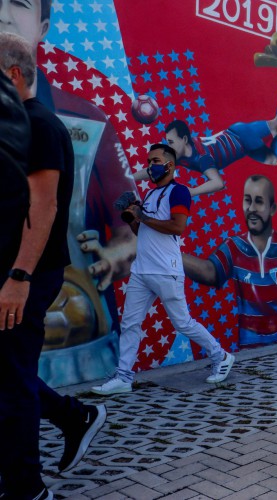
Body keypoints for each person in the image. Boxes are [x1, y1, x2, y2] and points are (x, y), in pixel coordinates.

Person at [1, 0, 138, 385]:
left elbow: (131, 217)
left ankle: (72, 420)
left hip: (79, 348)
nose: (3, 13)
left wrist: (120, 249)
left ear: (43, 27)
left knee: (18, 396)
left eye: (19, 3)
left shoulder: (85, 119)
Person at [0, 33, 106, 500]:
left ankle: (26, 488)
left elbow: (42, 208)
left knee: (11, 380)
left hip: (24, 275)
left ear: (13, 75)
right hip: (8, 273)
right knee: (6, 373)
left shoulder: (38, 125)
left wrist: (19, 277)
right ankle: (72, 416)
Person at [91, 144, 235, 395]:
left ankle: (221, 356)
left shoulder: (179, 192)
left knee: (183, 323)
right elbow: (143, 232)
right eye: (148, 161)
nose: (150, 166)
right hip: (142, 270)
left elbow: (178, 227)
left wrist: (143, 217)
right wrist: (134, 218)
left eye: (155, 160)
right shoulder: (150, 194)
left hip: (166, 270)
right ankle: (124, 377)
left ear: (169, 164)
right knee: (130, 323)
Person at [183, 175, 277, 345]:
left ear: (272, 208)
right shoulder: (234, 247)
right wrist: (166, 252)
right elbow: (209, 272)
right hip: (249, 346)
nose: (251, 208)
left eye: (259, 201)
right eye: (247, 200)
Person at [151, 76, 277, 197]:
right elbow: (154, 169)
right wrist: (133, 176)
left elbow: (218, 183)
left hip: (241, 136)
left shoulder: (202, 158)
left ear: (183, 140)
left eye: (171, 141)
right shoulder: (180, 155)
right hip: (240, 143)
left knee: (275, 123)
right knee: (273, 159)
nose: (169, 147)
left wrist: (192, 191)